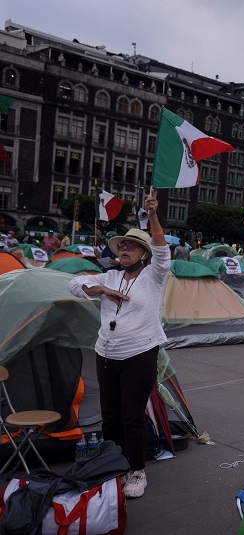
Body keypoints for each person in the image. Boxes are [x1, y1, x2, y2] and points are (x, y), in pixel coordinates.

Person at [67, 192, 168, 499]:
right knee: (108, 415)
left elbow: (163, 253)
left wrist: (152, 217)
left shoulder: (154, 276)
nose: (124, 249)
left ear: (143, 253)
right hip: (106, 354)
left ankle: (136, 470)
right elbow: (72, 284)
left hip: (139, 354)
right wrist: (98, 289)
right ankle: (113, 464)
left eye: (131, 245)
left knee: (131, 416)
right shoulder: (110, 275)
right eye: (122, 245)